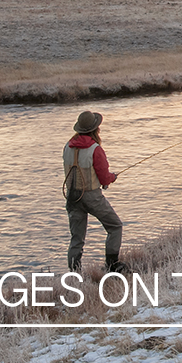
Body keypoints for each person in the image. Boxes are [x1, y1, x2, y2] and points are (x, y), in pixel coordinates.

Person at [63, 110, 126, 273]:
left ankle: (74, 273)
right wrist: (112, 178)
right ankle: (112, 265)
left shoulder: (67, 147)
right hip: (92, 197)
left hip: (72, 196)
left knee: (77, 238)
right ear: (95, 129)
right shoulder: (95, 149)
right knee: (115, 226)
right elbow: (104, 178)